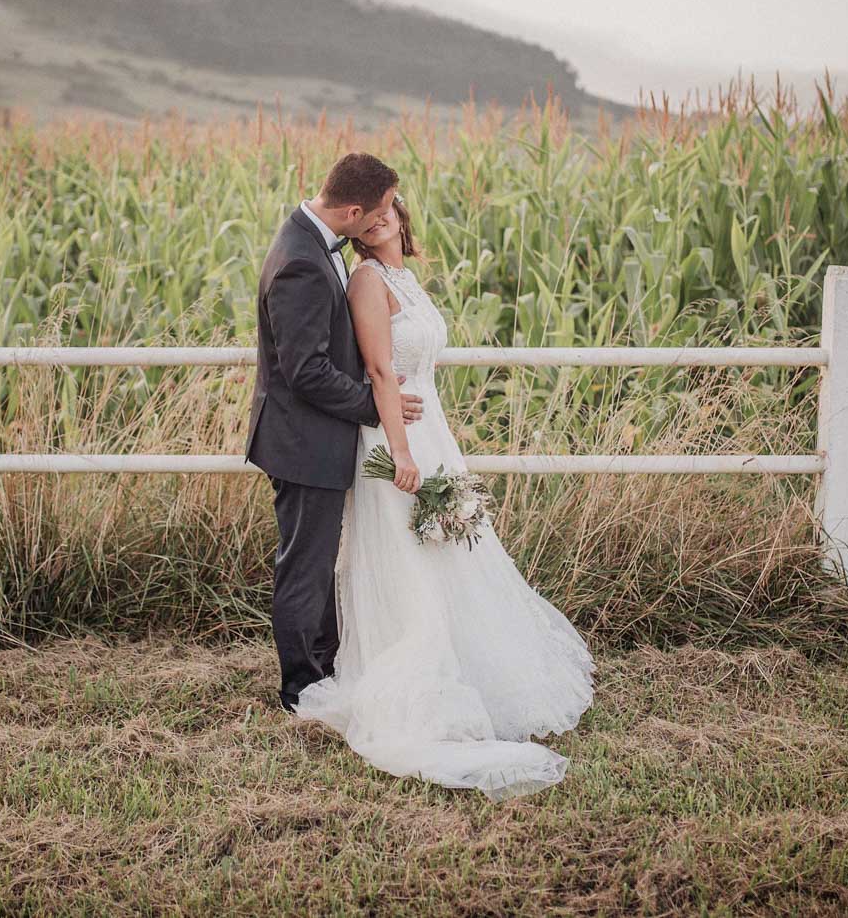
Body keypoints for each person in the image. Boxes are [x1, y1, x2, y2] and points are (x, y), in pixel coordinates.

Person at [295, 186, 594, 800]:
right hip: (394, 435)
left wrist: (429, 440)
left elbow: (418, 365)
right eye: (369, 215)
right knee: (409, 554)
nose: (380, 220)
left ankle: (470, 663)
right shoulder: (367, 282)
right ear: (356, 227)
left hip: (431, 429)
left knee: (451, 551)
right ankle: (419, 673)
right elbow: (380, 371)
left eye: (390, 209)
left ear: (403, 216)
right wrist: (401, 451)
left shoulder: (408, 281)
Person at [244, 152, 424, 714]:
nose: (381, 221)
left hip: (312, 436)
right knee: (306, 567)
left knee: (318, 563)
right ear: (351, 209)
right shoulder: (301, 259)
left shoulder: (314, 240)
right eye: (374, 214)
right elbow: (305, 371)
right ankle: (301, 689)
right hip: (302, 442)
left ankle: (323, 668)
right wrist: (377, 403)